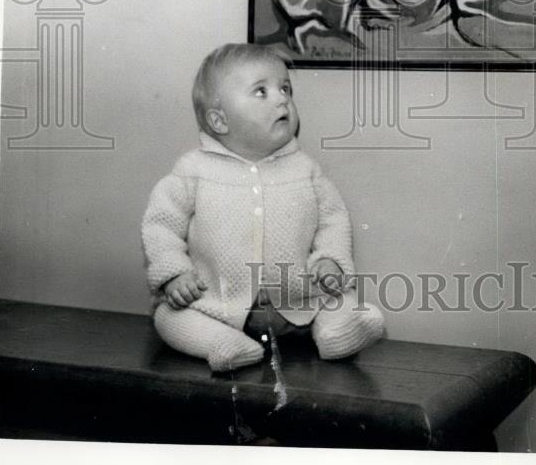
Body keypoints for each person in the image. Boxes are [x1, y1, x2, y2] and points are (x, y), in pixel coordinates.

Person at [141, 42, 384, 371]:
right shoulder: (192, 171)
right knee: (170, 315)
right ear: (219, 120)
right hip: (217, 306)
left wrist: (330, 261)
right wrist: (174, 275)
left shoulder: (305, 170)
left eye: (285, 88)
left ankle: (334, 332)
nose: (282, 97)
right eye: (261, 91)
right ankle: (221, 343)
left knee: (341, 297)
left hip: (299, 303)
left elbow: (333, 220)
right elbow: (161, 225)